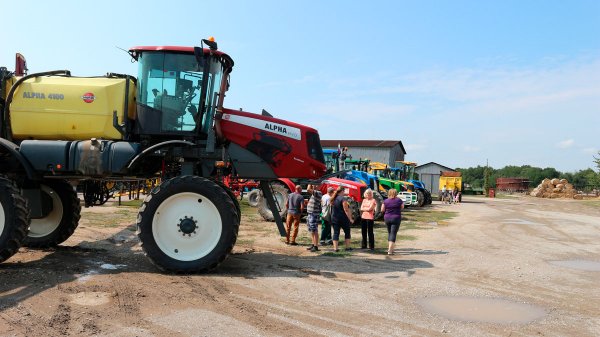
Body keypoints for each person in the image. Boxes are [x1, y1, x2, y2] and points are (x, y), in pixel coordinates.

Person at [380, 188, 404, 255]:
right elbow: (402, 207)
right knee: (393, 233)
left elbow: (382, 209)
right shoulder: (399, 200)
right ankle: (390, 250)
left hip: (387, 218)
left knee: (390, 232)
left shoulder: (386, 201)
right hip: (396, 218)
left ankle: (391, 248)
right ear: (396, 193)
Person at [331, 186, 354, 252]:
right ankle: (347, 247)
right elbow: (346, 210)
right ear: (342, 191)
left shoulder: (333, 198)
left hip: (334, 218)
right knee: (347, 232)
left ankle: (335, 249)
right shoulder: (343, 199)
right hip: (343, 218)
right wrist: (350, 219)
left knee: (336, 233)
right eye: (344, 191)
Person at [305, 184, 322, 252]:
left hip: (314, 214)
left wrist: (309, 183)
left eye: (315, 185)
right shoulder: (315, 193)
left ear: (319, 186)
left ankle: (316, 246)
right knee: (311, 230)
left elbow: (308, 189)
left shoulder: (318, 193)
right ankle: (313, 244)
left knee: (314, 230)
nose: (314, 186)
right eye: (313, 185)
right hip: (310, 213)